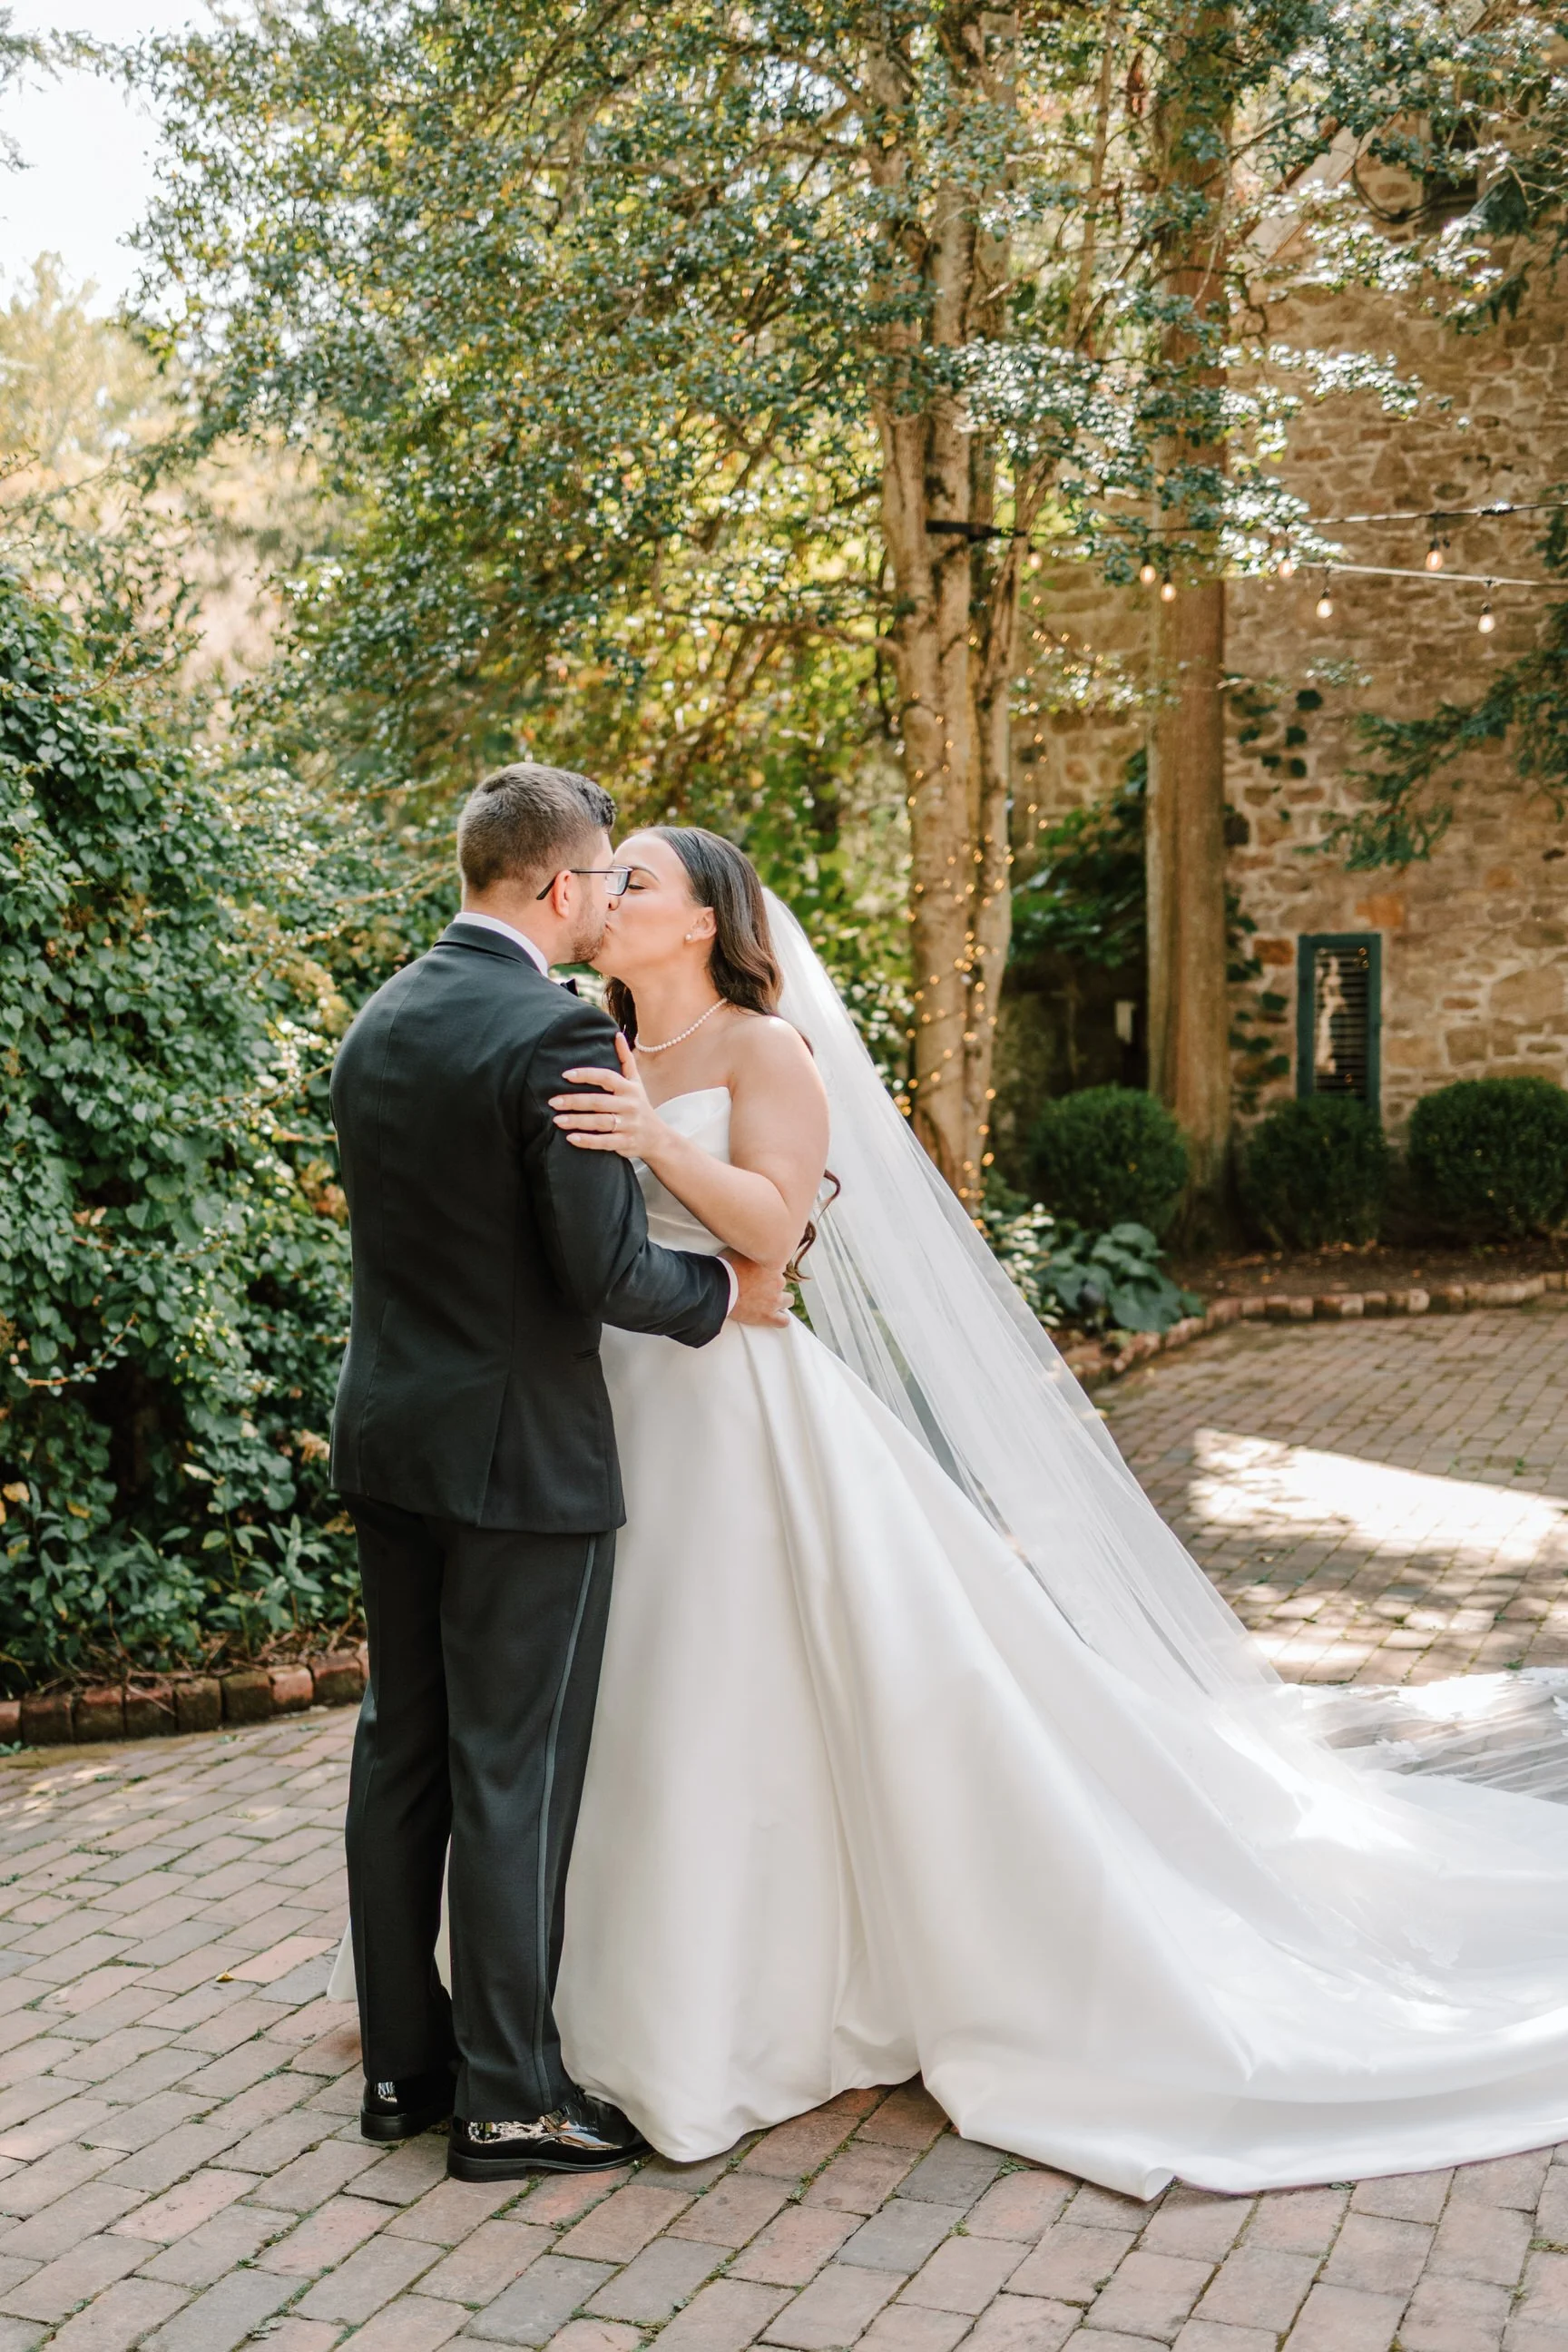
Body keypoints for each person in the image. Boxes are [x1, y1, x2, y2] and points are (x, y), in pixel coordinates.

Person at [544, 822, 1568, 2200]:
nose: (608, 896)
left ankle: (746, 2000)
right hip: (618, 1399)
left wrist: (659, 1143)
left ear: (702, 923)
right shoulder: (588, 1041)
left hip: (739, 1412)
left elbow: (776, 1235)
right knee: (628, 1690)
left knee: (732, 1680)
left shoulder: (760, 1051)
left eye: (638, 881)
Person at [328, 767, 789, 2184]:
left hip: (391, 1435)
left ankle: (407, 2067)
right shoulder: (558, 1038)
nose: (600, 902)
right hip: (520, 1455)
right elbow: (600, 1268)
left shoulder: (380, 1017)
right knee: (512, 1771)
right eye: (594, 879)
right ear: (551, 888)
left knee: (402, 1747)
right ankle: (511, 2099)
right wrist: (728, 1299)